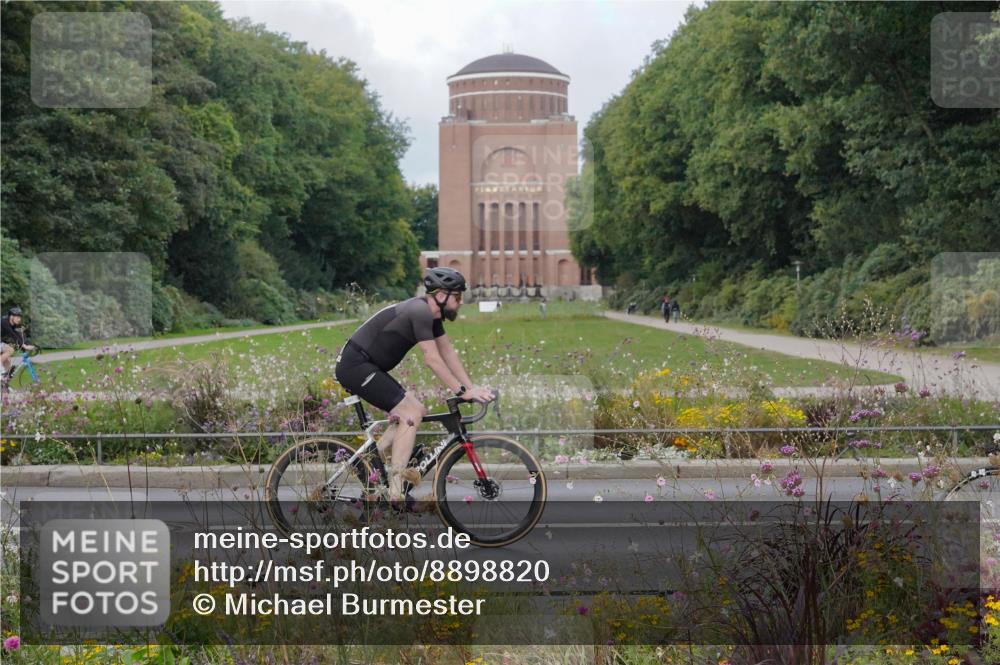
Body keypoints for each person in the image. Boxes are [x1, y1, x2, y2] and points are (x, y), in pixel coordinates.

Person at [334, 268, 494, 504]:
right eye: (457, 297)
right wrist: (461, 392)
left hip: (367, 366)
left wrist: (472, 388)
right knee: (409, 413)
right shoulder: (420, 311)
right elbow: (432, 359)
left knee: (416, 411)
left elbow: (447, 353)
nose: (460, 303)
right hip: (356, 366)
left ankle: (370, 463)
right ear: (440, 295)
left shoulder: (432, 316)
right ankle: (395, 492)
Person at [1, 307, 36, 390]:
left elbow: (18, 335)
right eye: (17, 317)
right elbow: (12, 334)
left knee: (8, 364)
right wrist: (23, 345)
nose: (19, 319)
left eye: (20, 317)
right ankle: (1, 371)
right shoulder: (4, 322)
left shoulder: (12, 324)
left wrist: (28, 344)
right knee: (10, 349)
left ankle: (4, 386)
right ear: (11, 317)